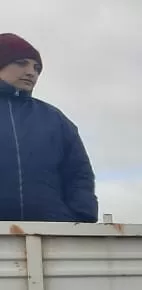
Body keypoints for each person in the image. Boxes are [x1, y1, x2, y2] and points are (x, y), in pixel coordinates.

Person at [0, 33, 96, 223]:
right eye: (21, 63)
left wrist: (81, 219)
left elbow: (78, 173)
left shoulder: (55, 118)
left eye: (37, 68)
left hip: (51, 233)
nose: (31, 72)